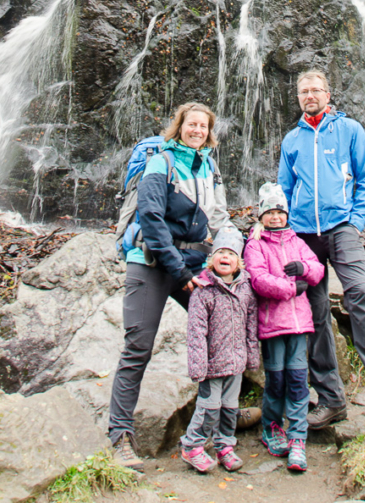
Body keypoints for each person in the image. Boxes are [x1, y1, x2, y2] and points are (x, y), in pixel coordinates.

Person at [278, 70, 365, 426]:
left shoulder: (349, 130)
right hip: (304, 236)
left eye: (315, 90)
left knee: (362, 296)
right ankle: (331, 399)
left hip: (343, 228)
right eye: (304, 91)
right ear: (298, 97)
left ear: (328, 92)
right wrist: (288, 234)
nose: (310, 95)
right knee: (315, 311)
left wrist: (355, 222)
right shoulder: (291, 140)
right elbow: (283, 191)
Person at [109, 102, 230, 469]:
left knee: (220, 333)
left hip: (190, 265)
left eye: (203, 126)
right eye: (191, 124)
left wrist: (238, 249)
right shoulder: (160, 161)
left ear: (210, 132)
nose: (197, 130)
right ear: (179, 127)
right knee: (138, 347)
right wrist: (180, 270)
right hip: (150, 264)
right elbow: (150, 217)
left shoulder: (209, 166)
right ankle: (119, 436)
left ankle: (219, 417)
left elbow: (219, 219)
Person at [244, 182, 324, 473]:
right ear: (261, 216)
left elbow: (317, 269)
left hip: (299, 324)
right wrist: (293, 286)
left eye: (280, 211)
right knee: (276, 381)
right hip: (272, 325)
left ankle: (298, 438)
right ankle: (272, 427)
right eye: (270, 212)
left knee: (299, 382)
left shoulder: (297, 242)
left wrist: (304, 270)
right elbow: (259, 280)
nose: (276, 217)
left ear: (287, 214)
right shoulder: (255, 245)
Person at [181, 226, 259, 473]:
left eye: (231, 253)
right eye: (220, 252)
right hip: (212, 365)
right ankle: (192, 446)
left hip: (236, 363)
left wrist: (252, 357)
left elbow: (251, 326)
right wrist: (198, 366)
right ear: (211, 259)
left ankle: (224, 445)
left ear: (240, 263)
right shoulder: (203, 292)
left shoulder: (246, 289)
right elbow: (196, 333)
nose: (225, 257)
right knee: (208, 408)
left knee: (229, 407)